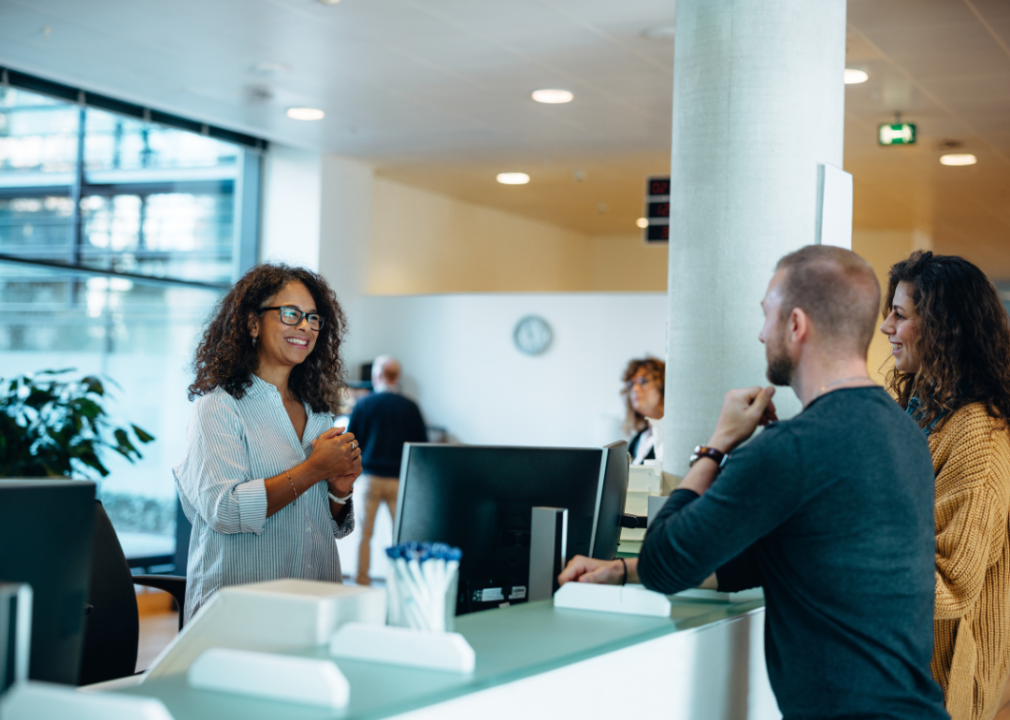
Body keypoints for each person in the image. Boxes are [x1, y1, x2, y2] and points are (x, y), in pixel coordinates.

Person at [560, 245, 948, 720]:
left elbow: (666, 563)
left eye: (767, 315)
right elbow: (760, 562)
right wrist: (621, 570)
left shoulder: (791, 447)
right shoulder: (903, 434)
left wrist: (717, 444)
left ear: (796, 325)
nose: (761, 333)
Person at [175, 264, 362, 622]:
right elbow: (225, 511)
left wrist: (339, 493)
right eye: (291, 314)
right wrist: (313, 469)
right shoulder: (218, 408)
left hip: (315, 605)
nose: (305, 327)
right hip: (240, 613)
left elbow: (326, 526)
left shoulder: (318, 413)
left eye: (313, 318)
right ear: (252, 323)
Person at [880, 251, 1010, 720]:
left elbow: (952, 584)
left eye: (901, 314)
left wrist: (847, 552)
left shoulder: (976, 431)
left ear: (942, 325)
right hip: (902, 667)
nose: (886, 327)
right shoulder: (922, 411)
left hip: (941, 684)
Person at [347, 355, 427, 586]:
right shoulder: (410, 407)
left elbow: (352, 442)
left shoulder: (363, 404)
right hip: (399, 481)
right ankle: (400, 581)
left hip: (370, 479)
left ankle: (361, 580)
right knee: (400, 535)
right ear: (397, 377)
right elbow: (420, 447)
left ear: (376, 376)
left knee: (364, 534)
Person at [621, 357, 665, 464]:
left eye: (643, 381)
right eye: (631, 384)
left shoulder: (673, 437)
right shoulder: (637, 440)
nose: (635, 389)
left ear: (663, 385)